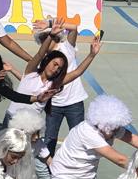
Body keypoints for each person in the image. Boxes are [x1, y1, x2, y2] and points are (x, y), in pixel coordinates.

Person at [31, 20, 102, 158]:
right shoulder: (43, 59)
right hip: (54, 105)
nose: (45, 41)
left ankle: (76, 166)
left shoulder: (67, 47)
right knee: (50, 140)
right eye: (42, 39)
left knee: (78, 138)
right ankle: (48, 172)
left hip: (74, 103)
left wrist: (50, 24)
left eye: (47, 37)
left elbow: (74, 28)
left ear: (55, 36)